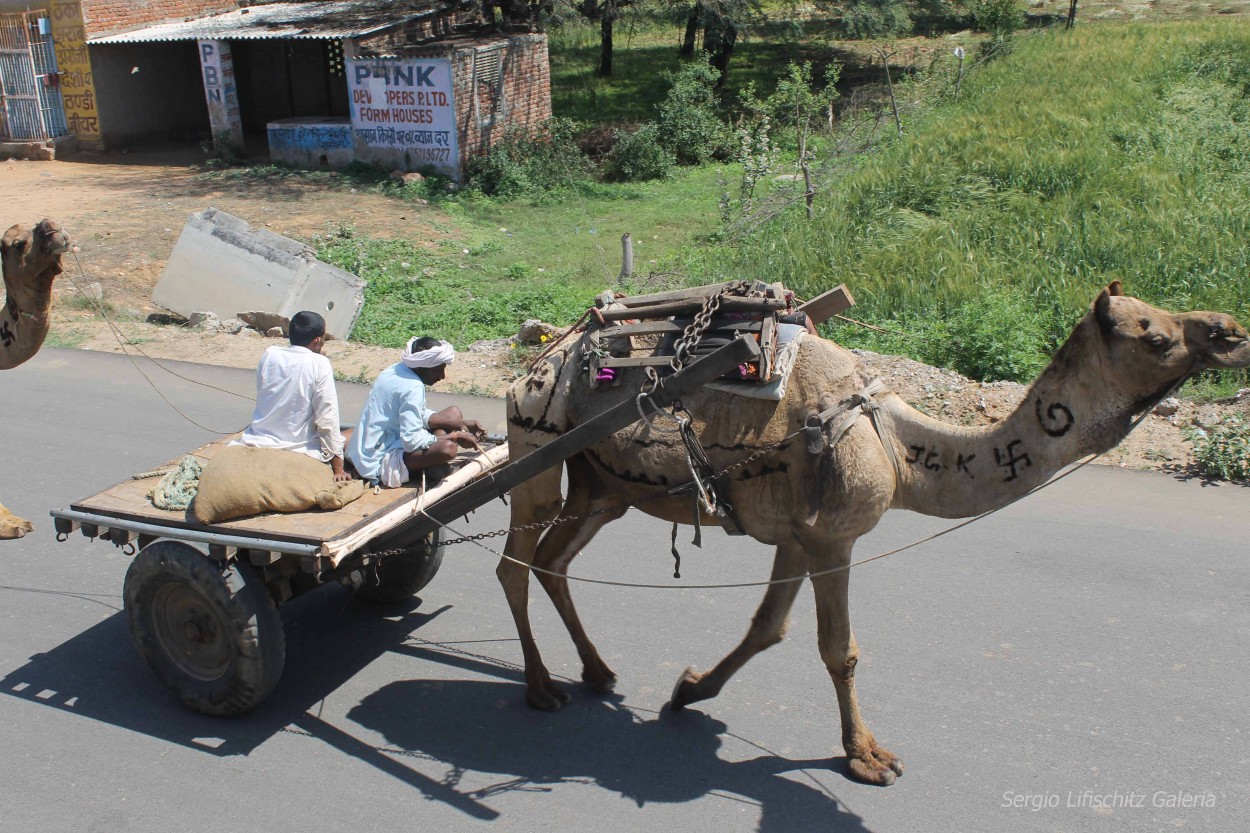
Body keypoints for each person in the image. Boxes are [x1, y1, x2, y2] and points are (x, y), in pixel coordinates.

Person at [347, 336, 487, 488]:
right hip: (378, 458)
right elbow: (411, 441)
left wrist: (461, 424)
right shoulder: (413, 387)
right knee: (448, 449)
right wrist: (456, 436)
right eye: (438, 370)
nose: (442, 376)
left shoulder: (396, 369)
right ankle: (430, 465)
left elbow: (417, 414)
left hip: (387, 440)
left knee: (453, 413)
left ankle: (432, 463)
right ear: (422, 368)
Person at [234, 310, 350, 481]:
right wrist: (339, 469)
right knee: (353, 434)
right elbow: (327, 419)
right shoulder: (320, 364)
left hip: (259, 438)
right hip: (298, 447)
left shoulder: (270, 353)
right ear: (318, 340)